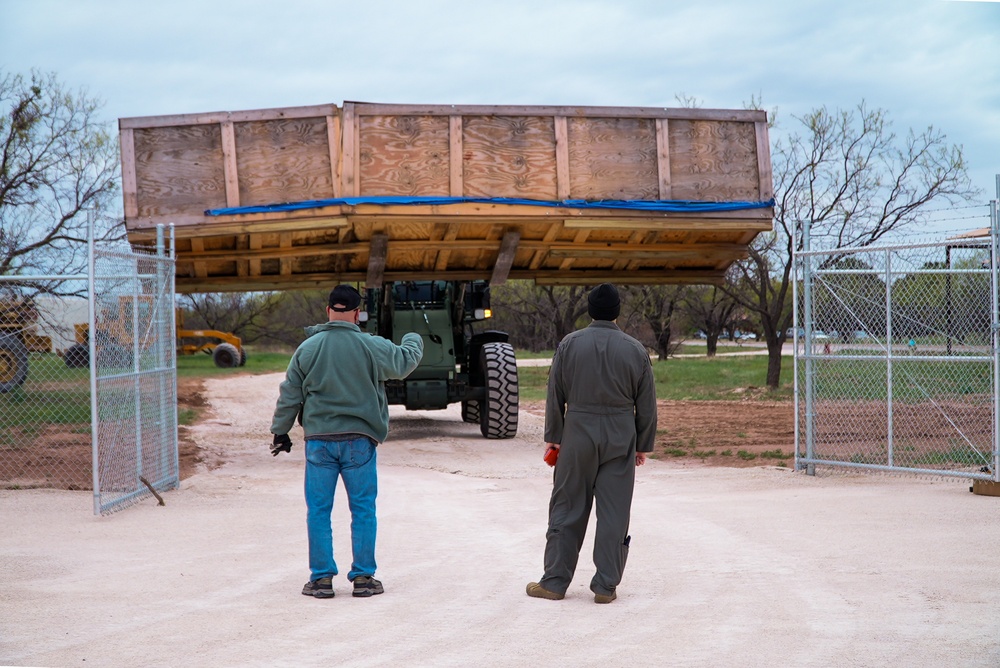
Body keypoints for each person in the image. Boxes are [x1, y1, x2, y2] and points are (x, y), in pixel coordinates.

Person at [270, 284, 423, 599]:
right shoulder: (370, 345)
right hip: (359, 442)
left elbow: (290, 393)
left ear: (328, 311)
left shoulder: (308, 349)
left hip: (319, 442)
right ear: (358, 314)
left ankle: (321, 579)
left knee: (318, 511)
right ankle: (364, 578)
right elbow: (405, 362)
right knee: (363, 509)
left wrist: (280, 431)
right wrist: (413, 337)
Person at [527, 283, 657, 604]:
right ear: (616, 312)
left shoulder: (569, 345)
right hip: (620, 434)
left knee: (568, 505)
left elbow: (554, 394)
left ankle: (555, 582)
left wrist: (554, 439)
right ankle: (605, 586)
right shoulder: (635, 349)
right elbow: (648, 404)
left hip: (577, 433)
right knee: (614, 511)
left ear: (589, 310)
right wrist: (642, 444)